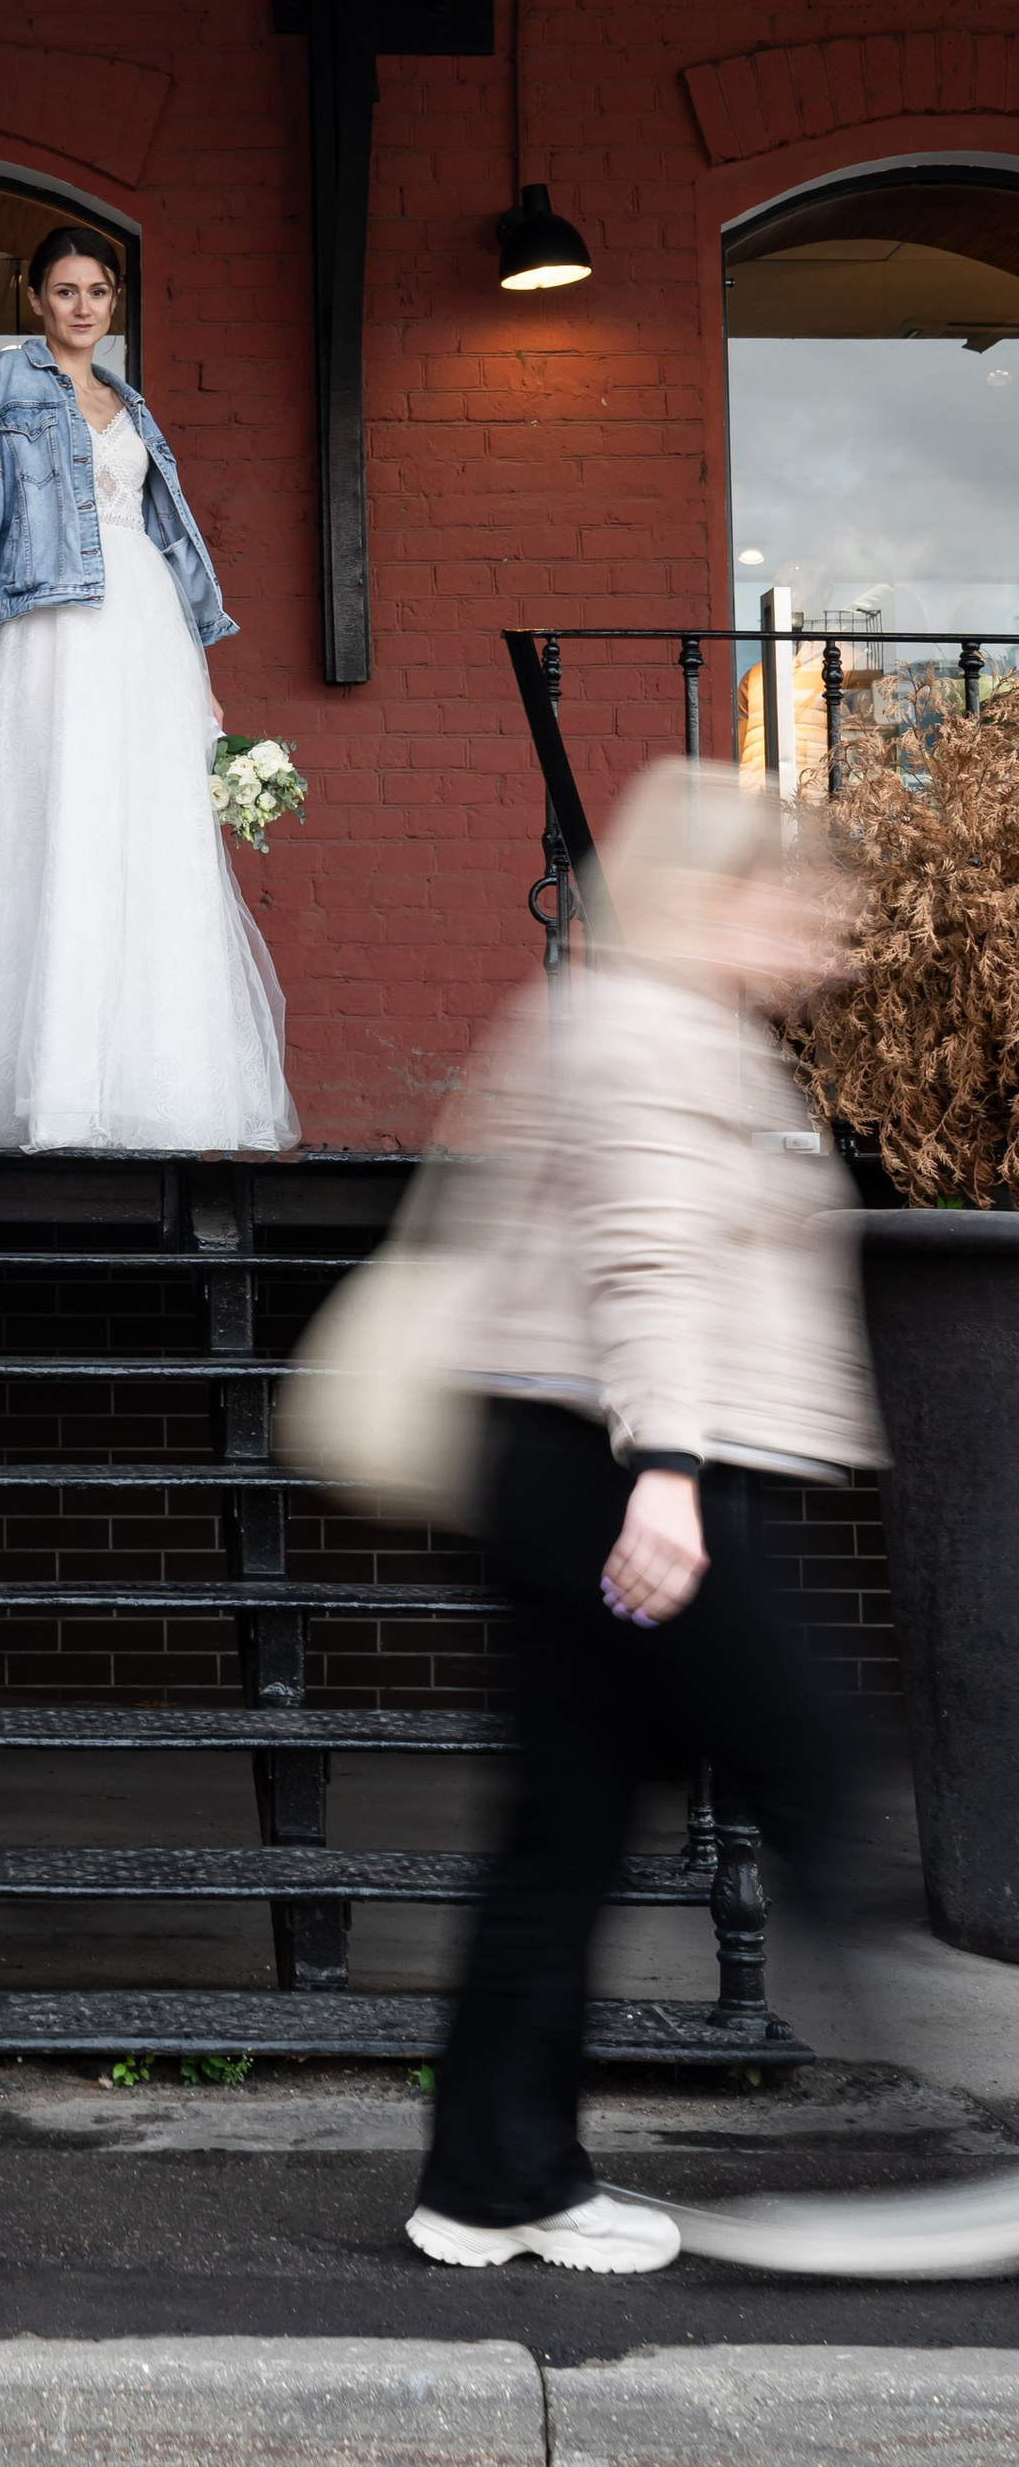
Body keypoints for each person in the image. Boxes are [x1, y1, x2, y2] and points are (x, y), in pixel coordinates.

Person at [406, 762, 884, 2273]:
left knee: (567, 1831)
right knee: (813, 1776)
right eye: (795, 906)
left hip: (579, 1470)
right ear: (716, 896)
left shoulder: (626, 1018)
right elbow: (649, 1264)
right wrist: (671, 1479)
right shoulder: (653, 1032)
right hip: (634, 1488)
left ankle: (492, 2182)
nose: (824, 940)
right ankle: (974, 2132)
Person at [0, 221, 296, 1155]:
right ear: (37, 299)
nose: (81, 307)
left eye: (97, 293)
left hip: (146, 632)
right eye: (64, 291)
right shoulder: (10, 382)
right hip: (56, 624)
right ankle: (50, 1089)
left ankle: (156, 1086)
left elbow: (167, 540)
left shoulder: (130, 404)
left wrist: (201, 677)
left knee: (145, 839)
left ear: (114, 304)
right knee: (56, 825)